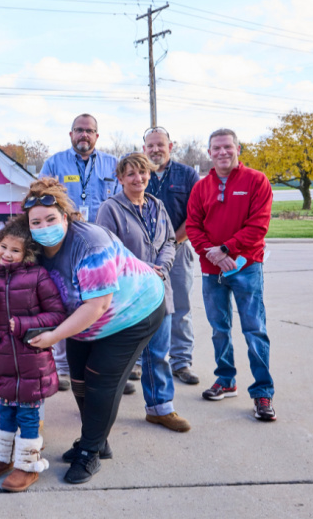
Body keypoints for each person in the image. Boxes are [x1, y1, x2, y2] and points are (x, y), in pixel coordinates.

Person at [23, 177, 165, 484]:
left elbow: (98, 304)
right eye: (36, 222)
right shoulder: (31, 244)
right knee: (79, 381)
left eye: (51, 218)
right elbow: (0, 262)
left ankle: (90, 452)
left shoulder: (90, 243)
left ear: (65, 216)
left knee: (101, 381)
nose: (44, 226)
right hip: (83, 322)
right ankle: (98, 439)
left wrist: (54, 336)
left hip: (134, 312)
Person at [0, 218, 66, 492]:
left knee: (28, 413)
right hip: (3, 357)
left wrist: (24, 324)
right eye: (4, 247)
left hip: (32, 357)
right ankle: (2, 457)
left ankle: (27, 465)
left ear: (27, 254)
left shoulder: (38, 276)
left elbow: (58, 314)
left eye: (15, 250)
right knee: (5, 409)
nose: (7, 254)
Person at [185, 128, 276, 422]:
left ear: (238, 148)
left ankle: (262, 391)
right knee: (219, 329)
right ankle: (226, 379)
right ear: (209, 153)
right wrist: (211, 253)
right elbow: (193, 226)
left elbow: (258, 225)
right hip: (212, 271)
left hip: (246, 267)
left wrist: (226, 249)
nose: (222, 152)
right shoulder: (201, 187)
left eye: (227, 147)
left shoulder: (256, 181)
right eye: (216, 148)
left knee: (254, 330)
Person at [96, 153, 191, 433]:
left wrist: (162, 266)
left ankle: (160, 409)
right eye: (131, 174)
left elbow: (170, 241)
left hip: (159, 289)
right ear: (120, 178)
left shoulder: (158, 205)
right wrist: (141, 268)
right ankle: (99, 412)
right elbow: (106, 249)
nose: (138, 178)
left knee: (158, 353)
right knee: (117, 357)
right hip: (127, 295)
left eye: (143, 172)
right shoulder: (110, 208)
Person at [38, 113, 121, 392]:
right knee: (65, 303)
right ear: (70, 134)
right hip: (66, 245)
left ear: (97, 135)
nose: (84, 135)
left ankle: (105, 368)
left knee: (102, 306)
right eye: (79, 130)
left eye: (89, 131)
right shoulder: (54, 163)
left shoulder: (112, 164)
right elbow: (40, 196)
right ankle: (62, 368)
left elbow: (121, 202)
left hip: (102, 247)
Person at [143, 127, 201, 385]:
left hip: (178, 250)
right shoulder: (137, 172)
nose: (155, 150)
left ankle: (181, 362)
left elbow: (196, 215)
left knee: (180, 308)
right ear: (144, 148)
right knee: (140, 308)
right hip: (142, 255)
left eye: (160, 145)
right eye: (150, 145)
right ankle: (137, 362)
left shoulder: (187, 174)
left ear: (171, 146)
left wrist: (170, 243)